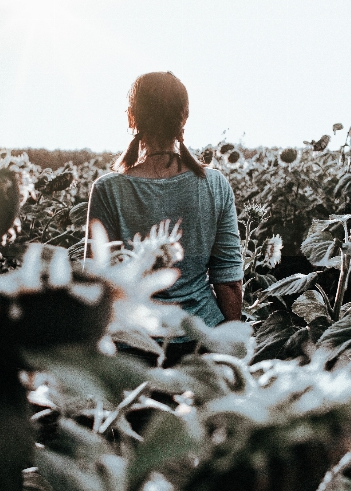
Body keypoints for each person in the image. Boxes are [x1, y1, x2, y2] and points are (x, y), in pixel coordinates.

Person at [85, 71, 243, 364]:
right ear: (183, 118)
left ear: (132, 118)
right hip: (203, 341)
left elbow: (98, 280)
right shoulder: (214, 184)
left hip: (135, 346)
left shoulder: (107, 189)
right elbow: (228, 280)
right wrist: (233, 353)